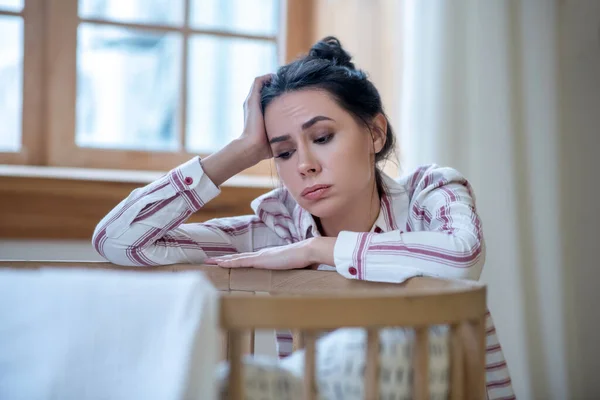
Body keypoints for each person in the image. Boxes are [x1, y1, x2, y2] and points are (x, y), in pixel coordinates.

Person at [92, 37, 514, 399]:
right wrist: (240, 149)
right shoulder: (276, 229)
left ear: (375, 133)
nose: (304, 165)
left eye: (323, 137)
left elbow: (462, 257)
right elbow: (120, 241)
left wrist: (318, 249)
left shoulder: (428, 193)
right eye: (284, 152)